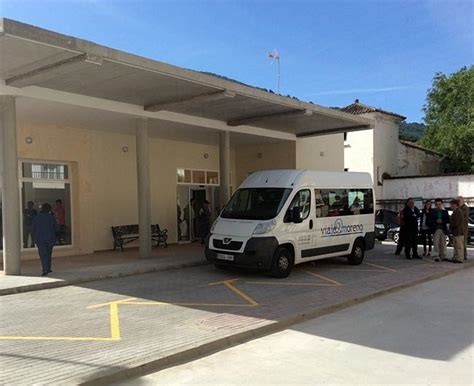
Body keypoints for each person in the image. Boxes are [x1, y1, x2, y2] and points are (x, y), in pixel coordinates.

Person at [32, 203, 57, 276]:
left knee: (43, 255)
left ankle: (45, 269)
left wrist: (34, 239)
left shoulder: (36, 218)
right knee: (49, 254)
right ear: (49, 210)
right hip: (50, 238)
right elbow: (56, 228)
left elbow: (33, 229)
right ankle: (48, 268)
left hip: (40, 239)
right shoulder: (51, 217)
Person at [449, 199, 465, 263]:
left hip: (458, 232)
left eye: (451, 204)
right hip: (456, 232)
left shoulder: (458, 211)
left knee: (459, 246)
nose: (450, 206)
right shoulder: (456, 211)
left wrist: (450, 226)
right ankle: (455, 257)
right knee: (455, 246)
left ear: (455, 204)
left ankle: (460, 258)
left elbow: (456, 223)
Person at [457, 196, 469, 260]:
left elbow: (462, 217)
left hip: (463, 228)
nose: (457, 202)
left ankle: (464, 255)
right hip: (460, 228)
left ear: (462, 201)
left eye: (458, 201)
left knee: (463, 242)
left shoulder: (465, 208)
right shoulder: (460, 208)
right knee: (460, 243)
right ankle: (461, 255)